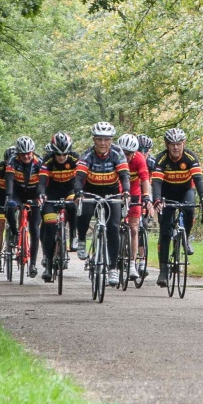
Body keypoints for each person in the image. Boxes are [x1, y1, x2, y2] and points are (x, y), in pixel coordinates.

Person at [72, 121, 131, 286]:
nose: (103, 143)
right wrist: (78, 192)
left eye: (106, 139)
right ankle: (82, 239)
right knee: (84, 212)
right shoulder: (87, 155)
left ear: (111, 140)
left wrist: (126, 191)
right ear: (94, 140)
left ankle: (112, 269)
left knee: (113, 227)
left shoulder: (117, 154)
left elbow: (125, 175)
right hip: (91, 191)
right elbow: (79, 178)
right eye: (99, 139)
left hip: (112, 193)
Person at [151, 127, 203, 287]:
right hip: (166, 193)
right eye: (172, 144)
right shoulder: (161, 159)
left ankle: (186, 238)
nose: (175, 147)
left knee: (190, 209)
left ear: (184, 143)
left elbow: (198, 179)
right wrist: (157, 199)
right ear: (166, 144)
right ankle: (163, 271)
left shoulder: (190, 157)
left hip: (185, 190)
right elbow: (156, 182)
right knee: (165, 232)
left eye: (178, 144)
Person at [35, 132, 79, 282]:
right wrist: (41, 194)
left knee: (73, 206)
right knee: (50, 226)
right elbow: (41, 182)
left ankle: (73, 236)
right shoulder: (47, 161)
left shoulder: (75, 158)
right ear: (53, 152)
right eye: (58, 154)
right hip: (51, 193)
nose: (61, 157)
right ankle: (47, 263)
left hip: (70, 190)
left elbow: (81, 178)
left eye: (64, 153)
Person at [4, 136, 43, 278]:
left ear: (33, 152)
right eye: (23, 154)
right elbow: (9, 180)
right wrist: (8, 196)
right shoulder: (12, 162)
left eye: (29, 153)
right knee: (10, 206)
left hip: (34, 194)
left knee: (35, 230)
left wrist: (40, 196)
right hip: (17, 193)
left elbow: (43, 182)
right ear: (18, 154)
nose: (26, 156)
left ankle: (32, 264)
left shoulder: (39, 163)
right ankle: (14, 233)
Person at [117, 133, 152, 281]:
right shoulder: (115, 157)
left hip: (134, 191)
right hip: (117, 190)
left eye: (130, 154)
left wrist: (147, 197)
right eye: (124, 153)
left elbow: (145, 179)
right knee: (113, 224)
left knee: (134, 228)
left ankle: (132, 263)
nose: (127, 157)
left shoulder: (139, 159)